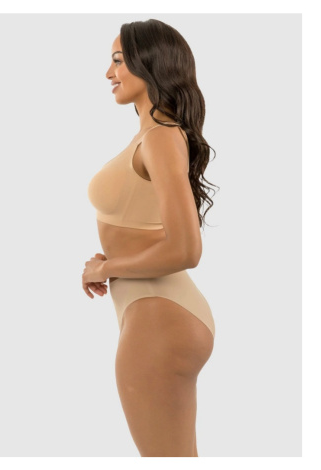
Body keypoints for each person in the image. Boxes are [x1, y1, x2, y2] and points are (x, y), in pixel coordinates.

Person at [83, 19, 219, 457]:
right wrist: (113, 258)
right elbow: (153, 230)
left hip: (159, 319)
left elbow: (186, 249)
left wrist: (107, 267)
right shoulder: (152, 135)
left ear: (150, 62)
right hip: (155, 312)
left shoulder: (160, 137)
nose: (109, 73)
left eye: (118, 60)